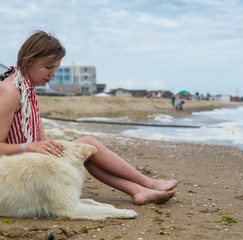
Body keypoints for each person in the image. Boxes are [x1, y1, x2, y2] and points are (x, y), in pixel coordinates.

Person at [0, 30, 178, 205]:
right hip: (12, 178)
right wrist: (29, 147)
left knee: (84, 150)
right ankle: (147, 184)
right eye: (48, 67)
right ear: (29, 61)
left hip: (25, 164)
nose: (53, 74)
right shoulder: (11, 92)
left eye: (56, 68)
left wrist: (47, 144)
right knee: (87, 143)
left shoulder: (26, 84)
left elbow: (39, 136)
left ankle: (140, 190)